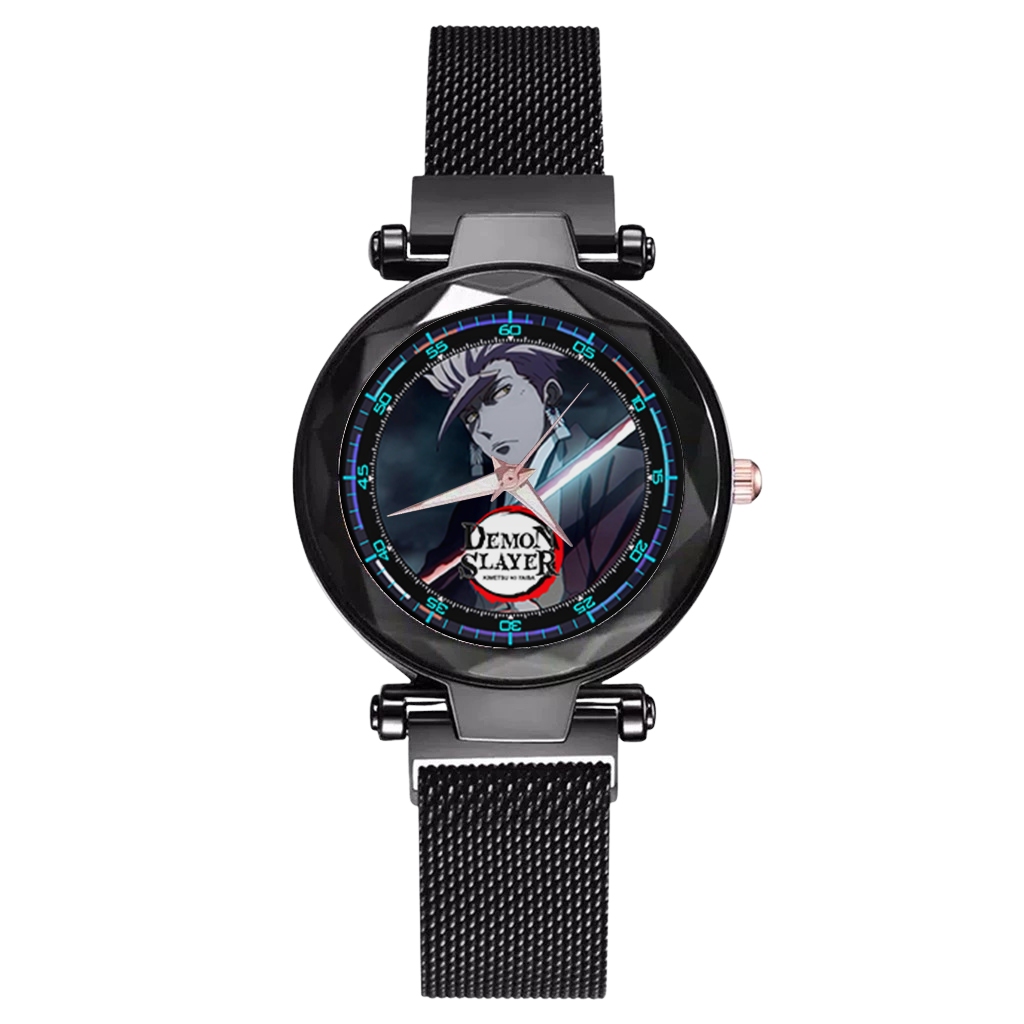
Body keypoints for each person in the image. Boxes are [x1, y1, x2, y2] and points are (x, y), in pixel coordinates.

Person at [421, 342, 645, 609]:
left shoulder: (624, 474)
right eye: (470, 415)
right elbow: (434, 599)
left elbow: (628, 590)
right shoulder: (473, 507)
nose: (484, 427)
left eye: (500, 392)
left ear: (548, 394)